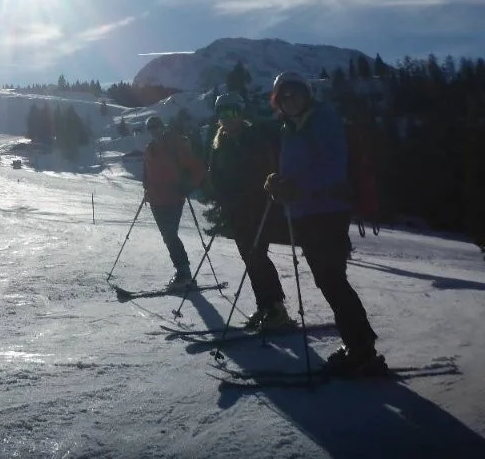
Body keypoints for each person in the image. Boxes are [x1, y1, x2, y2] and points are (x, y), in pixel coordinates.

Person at [264, 71, 387, 376]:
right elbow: (299, 170)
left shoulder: (323, 120)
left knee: (331, 279)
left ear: (307, 95)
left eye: (295, 94)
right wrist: (279, 183)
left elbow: (333, 168)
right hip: (307, 213)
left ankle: (361, 351)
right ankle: (360, 346)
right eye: (284, 97)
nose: (290, 101)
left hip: (327, 212)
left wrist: (294, 188)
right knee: (329, 280)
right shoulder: (290, 128)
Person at [207, 92, 292, 330]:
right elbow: (215, 175)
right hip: (236, 210)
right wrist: (224, 198)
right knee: (249, 258)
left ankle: (276, 308)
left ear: (240, 114)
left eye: (232, 112)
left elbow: (267, 170)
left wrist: (255, 194)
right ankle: (265, 307)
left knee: (258, 257)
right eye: (223, 113)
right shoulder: (219, 143)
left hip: (258, 208)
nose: (228, 118)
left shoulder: (253, 138)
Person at [142, 115, 205, 290]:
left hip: (173, 198)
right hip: (156, 200)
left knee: (170, 235)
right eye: (151, 128)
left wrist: (188, 186)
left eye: (156, 127)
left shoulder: (175, 145)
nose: (154, 131)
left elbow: (197, 167)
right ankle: (182, 272)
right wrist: (146, 188)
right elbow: (146, 172)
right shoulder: (150, 148)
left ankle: (184, 273)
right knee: (168, 236)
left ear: (163, 127)